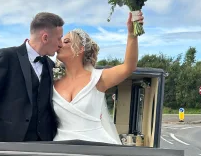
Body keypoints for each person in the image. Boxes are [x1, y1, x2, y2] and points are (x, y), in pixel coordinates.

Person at [52, 11, 143, 145]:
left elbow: (129, 66)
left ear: (80, 49)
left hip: (95, 149)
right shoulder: (52, 82)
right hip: (60, 151)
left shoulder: (98, 79)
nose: (60, 45)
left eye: (66, 41)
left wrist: (131, 34)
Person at [0, 12, 64, 142]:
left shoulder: (52, 65)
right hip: (9, 144)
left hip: (45, 145)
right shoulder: (7, 56)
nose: (60, 44)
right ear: (45, 38)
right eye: (59, 38)